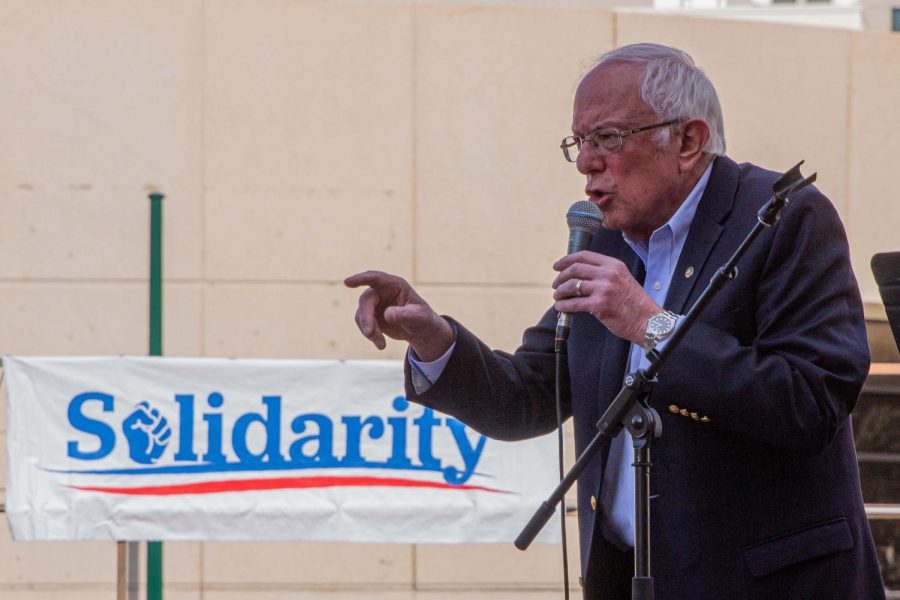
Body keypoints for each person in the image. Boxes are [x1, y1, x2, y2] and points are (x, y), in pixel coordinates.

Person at [345, 43, 885, 599]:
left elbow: (810, 403)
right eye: (579, 142)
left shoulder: (781, 215)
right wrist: (434, 338)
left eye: (606, 138)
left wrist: (650, 324)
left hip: (769, 585)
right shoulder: (609, 241)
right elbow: (529, 396)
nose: (585, 162)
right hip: (626, 580)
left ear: (688, 140)